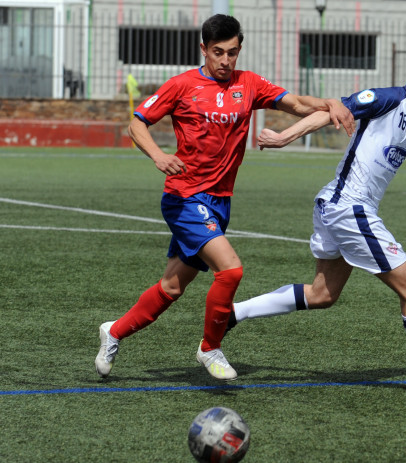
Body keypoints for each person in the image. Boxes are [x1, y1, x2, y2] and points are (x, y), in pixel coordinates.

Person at [226, 49, 406, 394]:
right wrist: (285, 137)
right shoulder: (387, 99)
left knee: (322, 294)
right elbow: (336, 110)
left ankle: (231, 313)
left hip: (336, 206)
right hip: (349, 208)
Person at [94, 14, 354, 381]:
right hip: (184, 198)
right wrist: (159, 155)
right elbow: (137, 124)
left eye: (232, 53)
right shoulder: (182, 85)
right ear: (204, 49)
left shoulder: (248, 84)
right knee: (230, 270)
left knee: (171, 287)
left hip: (218, 201)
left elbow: (294, 103)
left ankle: (114, 331)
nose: (225, 61)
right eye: (218, 52)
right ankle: (209, 348)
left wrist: (329, 103)